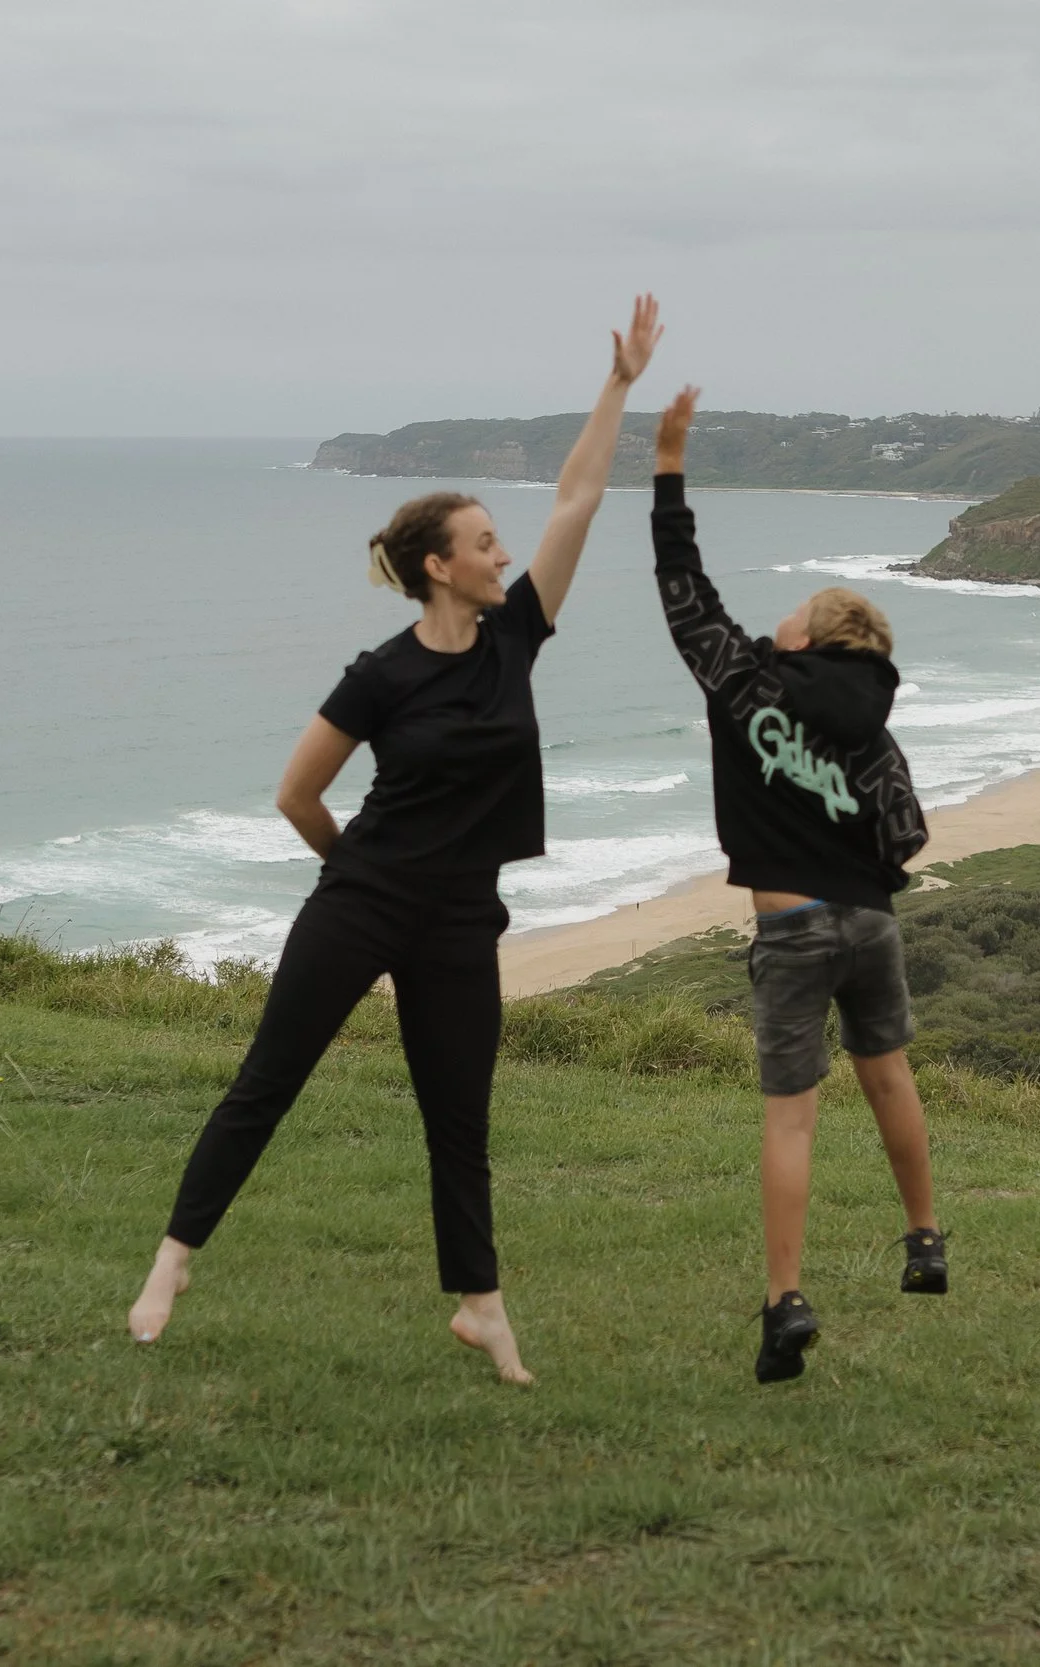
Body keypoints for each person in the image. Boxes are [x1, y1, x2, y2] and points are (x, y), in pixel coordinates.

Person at [127, 297, 663, 1384]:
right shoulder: (381, 674)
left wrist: (617, 385)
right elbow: (298, 793)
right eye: (484, 543)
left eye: (498, 540)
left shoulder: (515, 637)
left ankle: (482, 1308)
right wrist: (358, 873)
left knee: (458, 1120)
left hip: (461, 917)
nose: (503, 553)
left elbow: (577, 498)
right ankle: (171, 1262)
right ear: (438, 566)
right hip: (365, 900)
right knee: (267, 1082)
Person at [647, 385, 944, 1384]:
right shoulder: (876, 732)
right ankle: (924, 1236)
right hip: (871, 923)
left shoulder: (746, 681)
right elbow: (906, 833)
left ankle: (785, 1302)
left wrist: (669, 468)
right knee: (889, 1075)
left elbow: (684, 589)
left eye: (794, 610)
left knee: (791, 1113)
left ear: (810, 637)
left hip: (793, 928)